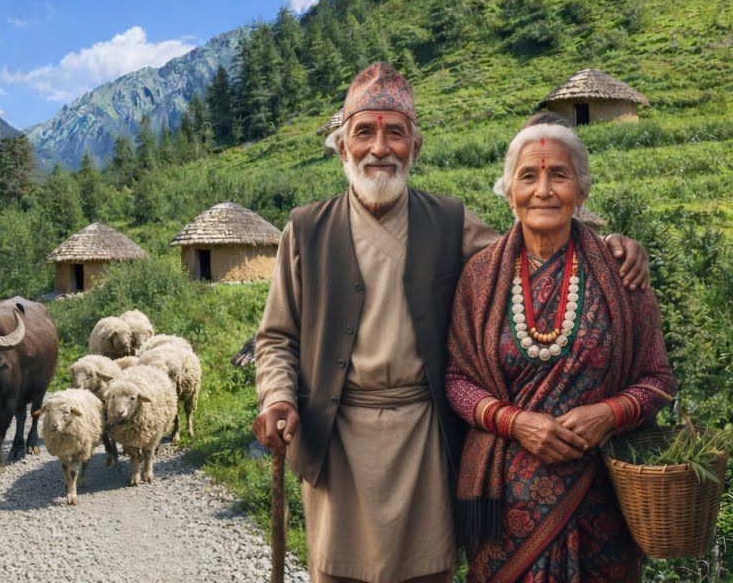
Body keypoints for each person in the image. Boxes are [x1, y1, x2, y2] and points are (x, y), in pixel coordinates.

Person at [251, 61, 650, 583]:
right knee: (337, 572)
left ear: (415, 147)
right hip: (338, 437)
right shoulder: (306, 230)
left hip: (424, 437)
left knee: (429, 571)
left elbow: (530, 250)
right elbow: (277, 336)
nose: (379, 148)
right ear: (343, 147)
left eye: (395, 133)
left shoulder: (448, 220)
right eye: (364, 132)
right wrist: (277, 398)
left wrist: (610, 247)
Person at [446, 123, 674, 582]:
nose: (543, 190)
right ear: (509, 191)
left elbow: (658, 380)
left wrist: (609, 413)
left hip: (601, 503)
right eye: (528, 176)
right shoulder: (479, 278)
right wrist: (516, 423)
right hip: (506, 511)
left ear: (581, 190)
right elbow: (456, 379)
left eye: (560, 176)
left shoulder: (621, 274)